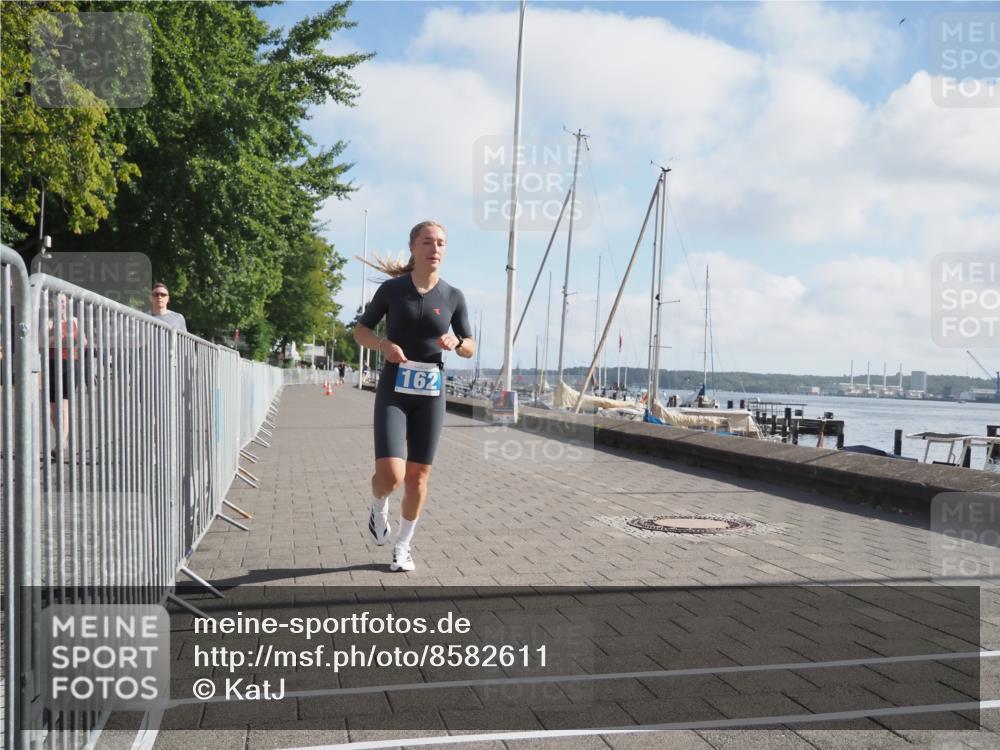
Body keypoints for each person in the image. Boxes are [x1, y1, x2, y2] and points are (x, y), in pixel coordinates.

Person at [353, 221, 475, 572]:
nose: (434, 248)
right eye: (427, 242)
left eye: (441, 243)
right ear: (413, 247)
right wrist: (382, 344)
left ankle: (402, 547)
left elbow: (470, 345)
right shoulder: (393, 291)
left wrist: (458, 343)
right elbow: (360, 331)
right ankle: (378, 507)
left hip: (431, 392)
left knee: (418, 478)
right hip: (394, 387)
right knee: (391, 476)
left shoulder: (453, 296)